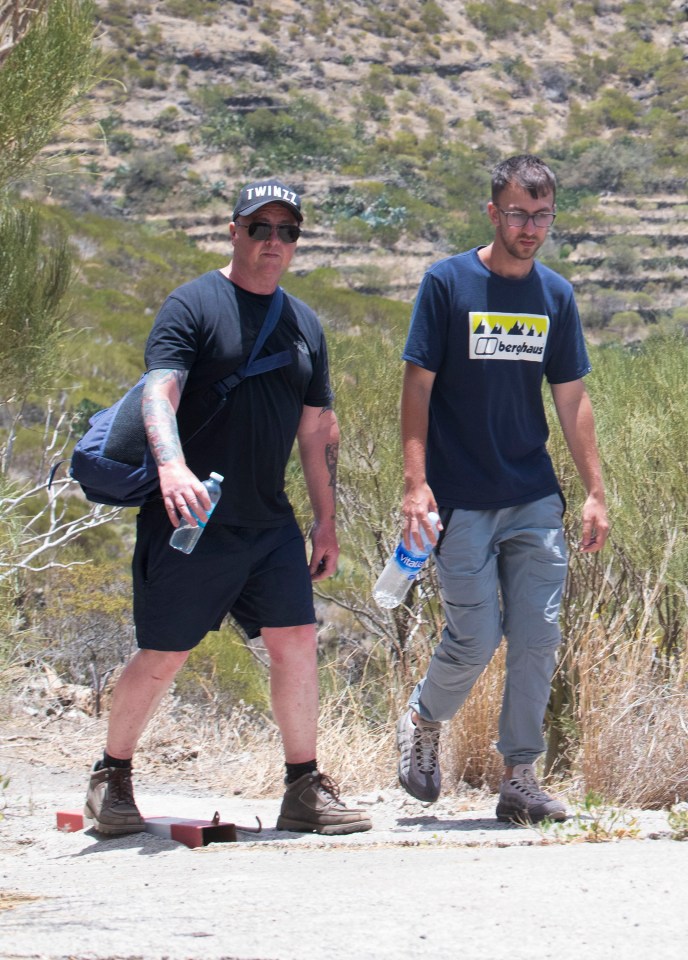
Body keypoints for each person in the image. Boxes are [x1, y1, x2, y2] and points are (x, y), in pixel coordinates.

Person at [84, 178, 371, 837]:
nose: (273, 243)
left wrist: (325, 520)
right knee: (165, 653)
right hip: (193, 518)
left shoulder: (303, 325)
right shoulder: (192, 306)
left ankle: (303, 787)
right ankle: (112, 777)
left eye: (287, 232)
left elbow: (317, 427)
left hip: (268, 520)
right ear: (234, 231)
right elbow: (160, 394)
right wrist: (171, 466)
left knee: (296, 640)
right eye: (260, 228)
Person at [395, 154, 609, 823]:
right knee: (475, 636)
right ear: (492, 212)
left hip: (533, 493)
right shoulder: (448, 284)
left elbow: (572, 398)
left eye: (542, 215)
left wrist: (595, 490)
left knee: (539, 635)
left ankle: (520, 777)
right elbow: (417, 387)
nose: (530, 227)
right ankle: (425, 721)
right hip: (459, 496)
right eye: (517, 213)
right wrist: (414, 484)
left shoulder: (554, 296)